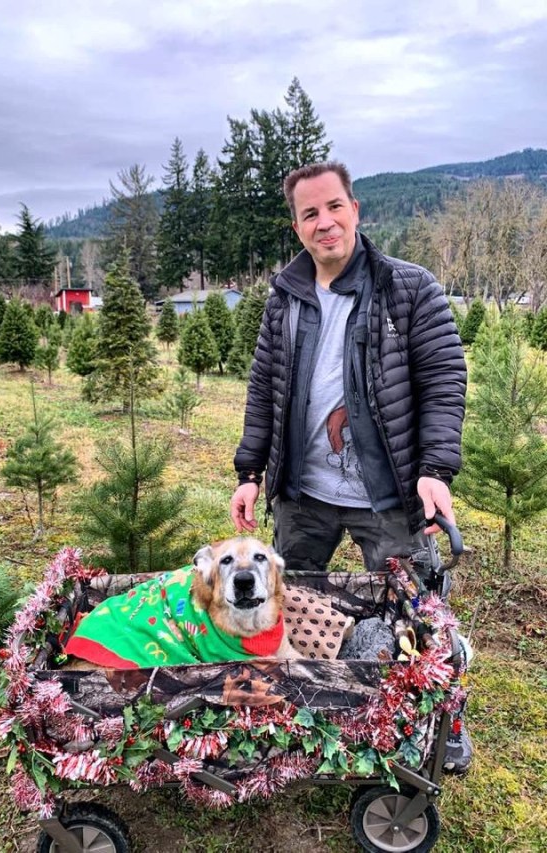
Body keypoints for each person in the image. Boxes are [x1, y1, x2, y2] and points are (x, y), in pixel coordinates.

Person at [229, 161, 471, 773]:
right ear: (297, 226)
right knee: (290, 604)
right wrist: (250, 473)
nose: (325, 222)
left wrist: (434, 469)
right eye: (310, 213)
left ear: (355, 210)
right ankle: (299, 710)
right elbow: (264, 389)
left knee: (417, 613)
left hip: (386, 496)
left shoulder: (408, 288)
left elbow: (444, 380)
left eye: (334, 207)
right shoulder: (285, 297)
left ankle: (444, 723)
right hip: (303, 494)